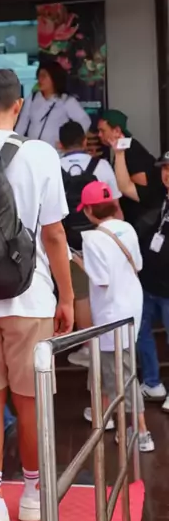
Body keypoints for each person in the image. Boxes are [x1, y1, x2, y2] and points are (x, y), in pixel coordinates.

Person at [0, 68, 74, 521]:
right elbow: (55, 234)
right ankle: (30, 493)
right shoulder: (41, 154)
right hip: (30, 295)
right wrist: (67, 296)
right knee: (30, 402)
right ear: (19, 105)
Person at [76, 181, 155, 452]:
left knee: (120, 374)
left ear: (89, 210)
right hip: (132, 305)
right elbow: (138, 264)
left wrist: (75, 260)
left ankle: (140, 432)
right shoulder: (127, 228)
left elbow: (101, 279)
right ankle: (108, 416)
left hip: (111, 313)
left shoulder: (92, 239)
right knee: (117, 367)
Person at [57, 120, 123, 369]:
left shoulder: (54, 166)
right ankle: (111, 342)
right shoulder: (101, 166)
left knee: (81, 294)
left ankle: (88, 348)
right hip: (101, 236)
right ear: (85, 141)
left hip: (70, 241)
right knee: (105, 287)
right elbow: (115, 206)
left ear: (60, 144)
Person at [136, 151, 169, 408]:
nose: (167, 174)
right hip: (149, 284)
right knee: (141, 332)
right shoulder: (161, 198)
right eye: (165, 168)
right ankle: (152, 383)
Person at [97, 109, 163, 229]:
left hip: (142, 221)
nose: (99, 135)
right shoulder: (125, 148)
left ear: (117, 131)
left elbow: (141, 190)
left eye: (102, 130)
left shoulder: (132, 150)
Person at [15, 60, 91, 147]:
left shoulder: (66, 101)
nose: (40, 79)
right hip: (35, 150)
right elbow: (22, 124)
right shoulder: (32, 98)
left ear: (54, 78)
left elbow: (85, 121)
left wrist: (69, 142)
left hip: (57, 151)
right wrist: (15, 144)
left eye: (44, 76)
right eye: (39, 76)